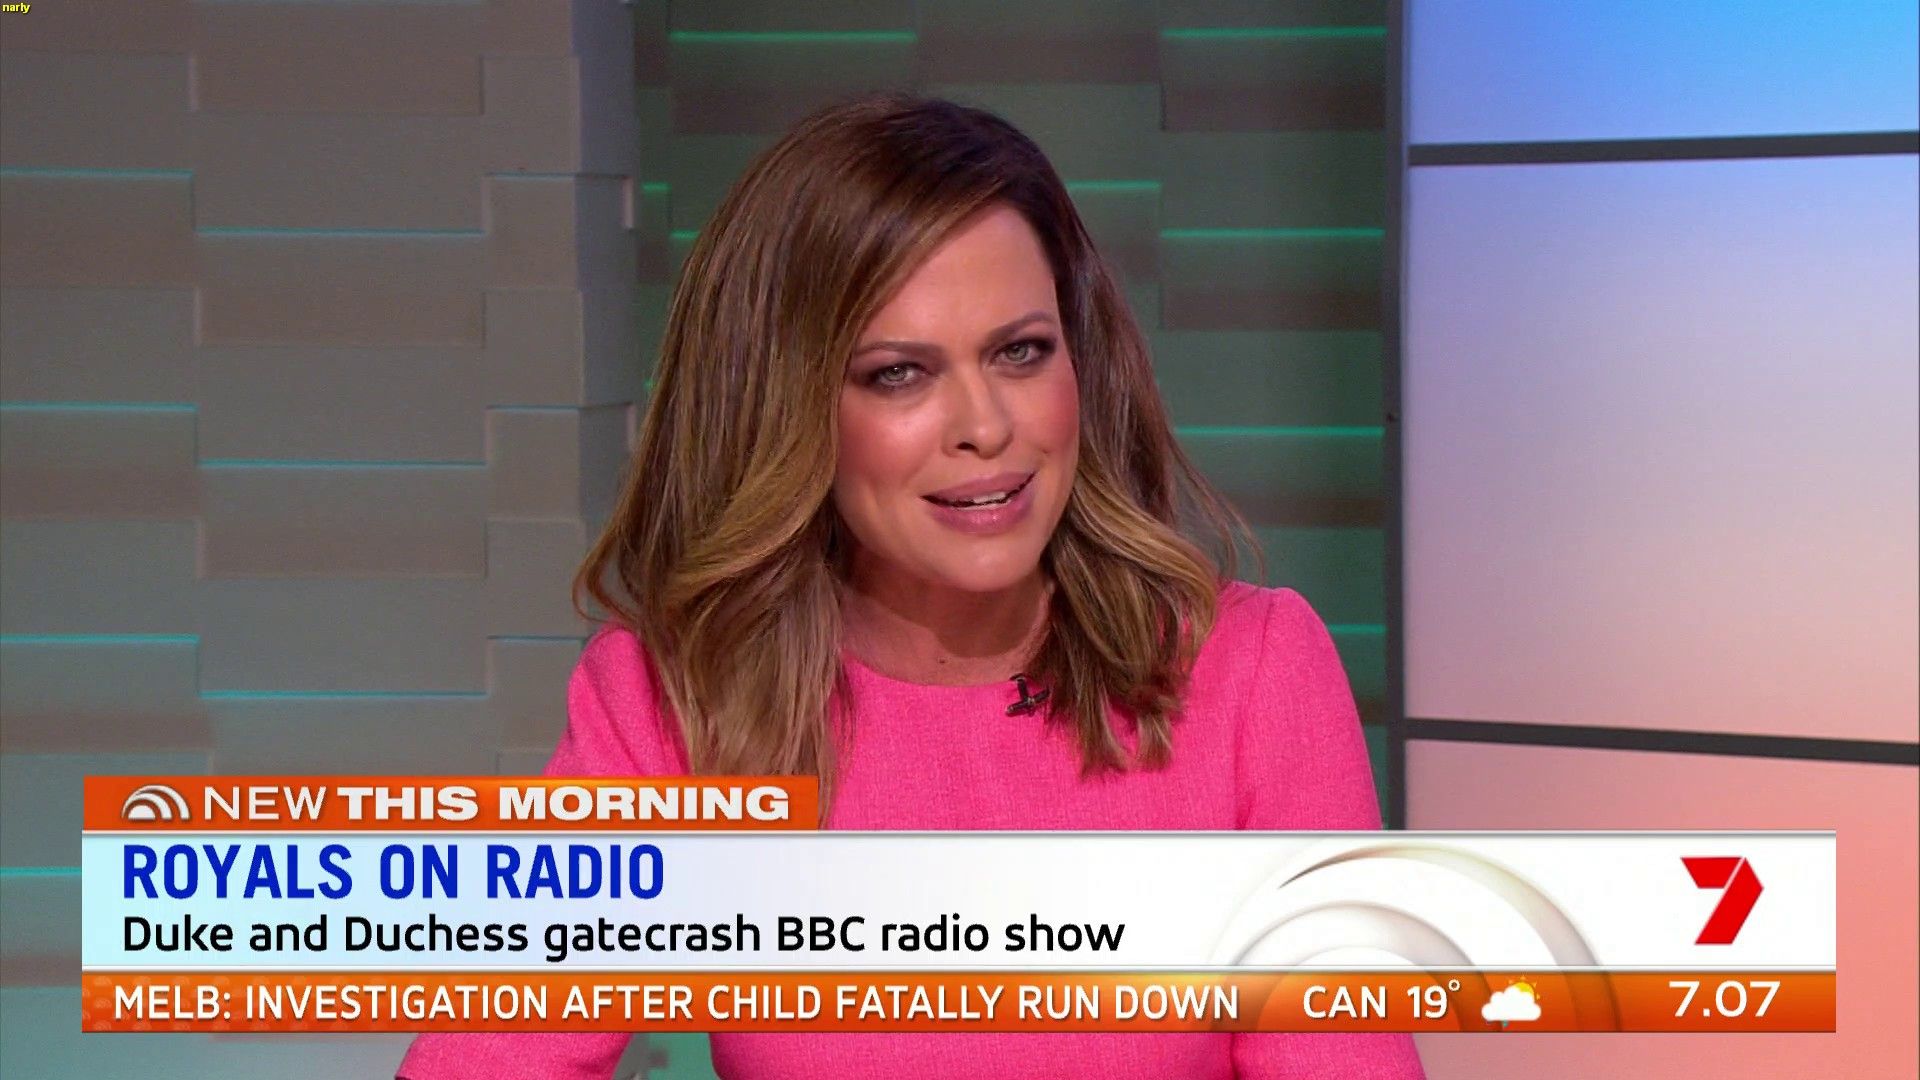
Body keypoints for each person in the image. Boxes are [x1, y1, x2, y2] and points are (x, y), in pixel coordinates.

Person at [400, 93, 1423, 1079]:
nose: (986, 426)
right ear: (789, 407)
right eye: (900, 372)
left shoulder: (1250, 675)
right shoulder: (673, 701)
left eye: (1021, 353)